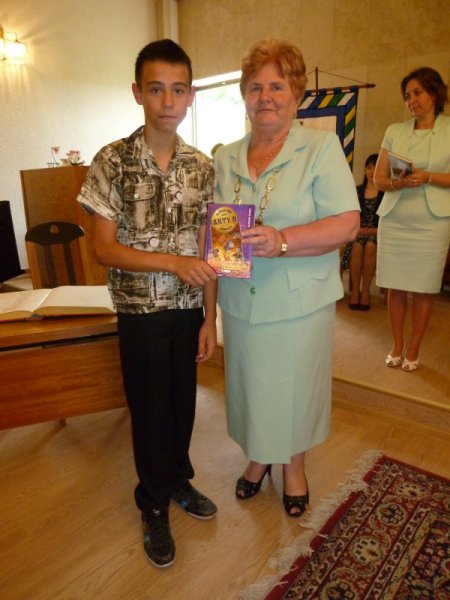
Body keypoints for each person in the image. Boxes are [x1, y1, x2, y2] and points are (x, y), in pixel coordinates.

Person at [77, 39, 218, 568]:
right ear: (138, 92)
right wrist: (172, 264)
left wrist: (209, 316)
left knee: (183, 405)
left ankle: (178, 481)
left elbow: (210, 250)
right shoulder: (112, 161)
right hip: (139, 313)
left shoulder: (202, 167)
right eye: (156, 89)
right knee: (150, 410)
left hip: (188, 311)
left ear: (191, 96)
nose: (167, 101)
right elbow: (103, 248)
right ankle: (153, 502)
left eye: (178, 90)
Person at [213, 39, 359, 517]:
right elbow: (218, 226)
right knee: (252, 385)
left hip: (299, 300)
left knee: (295, 388)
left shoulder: (320, 148)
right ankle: (259, 456)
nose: (265, 97)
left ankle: (294, 465)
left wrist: (283, 241)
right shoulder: (225, 156)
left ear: (296, 94)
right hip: (242, 296)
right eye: (255, 87)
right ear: (244, 95)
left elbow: (347, 223)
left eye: (276, 86)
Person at [373, 67, 450, 372]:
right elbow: (379, 180)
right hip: (395, 218)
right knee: (395, 286)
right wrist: (400, 183)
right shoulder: (395, 130)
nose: (411, 100)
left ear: (435, 93)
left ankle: (414, 347)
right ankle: (396, 344)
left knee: (423, 287)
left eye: (418, 92)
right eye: (407, 95)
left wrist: (428, 176)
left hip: (432, 221)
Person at [348, 153, 384, 310]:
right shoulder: (357, 191)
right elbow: (350, 216)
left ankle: (366, 292)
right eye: (369, 167)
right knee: (357, 246)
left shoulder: (386, 193)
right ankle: (356, 291)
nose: (372, 171)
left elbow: (387, 221)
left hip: (378, 235)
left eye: (376, 168)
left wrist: (375, 231)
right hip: (358, 232)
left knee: (370, 246)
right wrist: (359, 229)